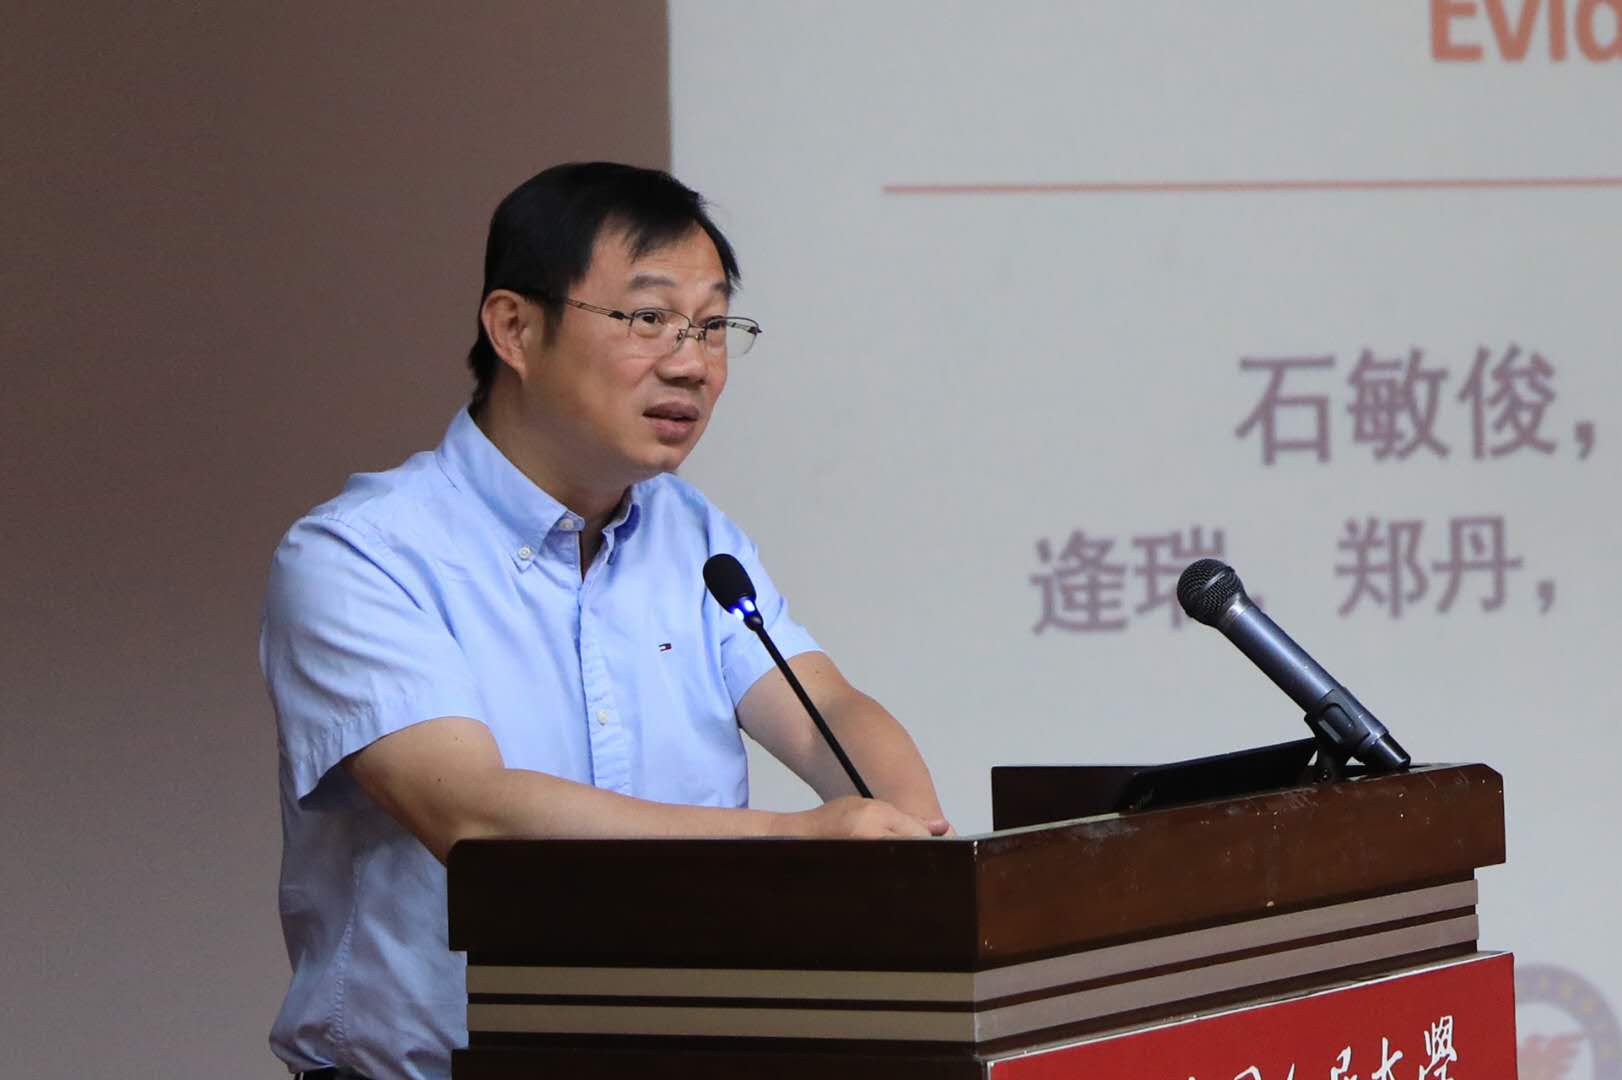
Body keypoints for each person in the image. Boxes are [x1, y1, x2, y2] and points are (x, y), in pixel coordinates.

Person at [260, 162, 950, 1080]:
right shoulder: (363, 555)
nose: (691, 362)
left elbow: (825, 708)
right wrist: (796, 843)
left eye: (713, 326)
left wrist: (912, 843)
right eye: (649, 318)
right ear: (515, 328)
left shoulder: (694, 536)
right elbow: (473, 816)